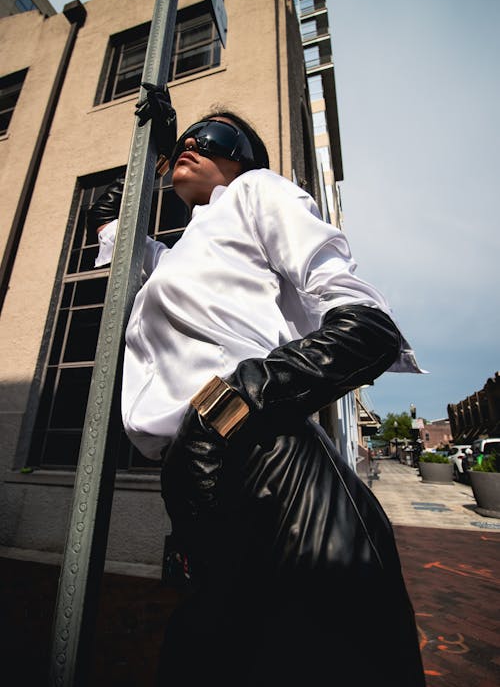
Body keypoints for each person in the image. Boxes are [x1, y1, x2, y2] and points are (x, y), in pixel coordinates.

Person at [88, 87, 426, 686]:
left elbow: (367, 327)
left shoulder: (253, 193)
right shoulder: (174, 257)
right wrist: (150, 161)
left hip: (272, 467)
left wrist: (233, 401)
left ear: (245, 160)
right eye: (189, 136)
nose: (194, 142)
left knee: (316, 660)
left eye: (216, 139)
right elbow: (119, 254)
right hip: (196, 482)